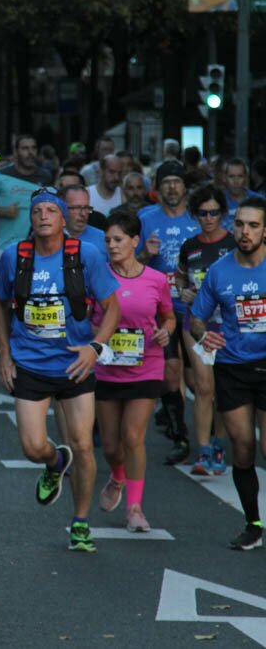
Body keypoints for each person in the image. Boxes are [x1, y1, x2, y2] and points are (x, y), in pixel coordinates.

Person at [0, 188, 121, 552]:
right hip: (30, 362)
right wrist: (4, 352)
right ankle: (53, 461)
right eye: (37, 212)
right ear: (30, 219)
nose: (43, 216)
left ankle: (80, 522)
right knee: (33, 447)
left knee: (83, 444)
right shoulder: (15, 256)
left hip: (74, 363)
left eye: (51, 211)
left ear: (64, 219)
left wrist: (95, 348)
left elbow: (112, 308)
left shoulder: (86, 255)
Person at [190, 198, 266, 550]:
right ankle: (253, 524)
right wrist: (204, 334)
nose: (245, 231)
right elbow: (195, 318)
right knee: (243, 447)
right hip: (233, 368)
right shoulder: (220, 271)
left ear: (265, 230)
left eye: (253, 225)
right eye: (240, 225)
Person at [93, 211, 175, 532]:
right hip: (108, 368)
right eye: (108, 241)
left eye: (118, 240)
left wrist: (166, 331)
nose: (112, 246)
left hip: (145, 366)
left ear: (135, 241)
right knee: (112, 447)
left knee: (132, 437)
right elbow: (87, 313)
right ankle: (117, 476)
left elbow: (168, 316)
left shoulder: (155, 279)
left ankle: (135, 508)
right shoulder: (98, 277)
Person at [138, 161, 201, 465]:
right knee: (170, 375)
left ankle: (208, 432)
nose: (172, 187)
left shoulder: (200, 218)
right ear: (158, 188)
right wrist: (144, 255)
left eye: (177, 182)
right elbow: (127, 262)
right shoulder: (145, 219)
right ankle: (181, 437)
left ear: (185, 187)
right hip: (160, 310)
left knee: (197, 378)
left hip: (197, 309)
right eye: (167, 182)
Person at [177, 185, 235, 476]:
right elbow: (179, 277)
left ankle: (220, 443)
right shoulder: (190, 246)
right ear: (195, 215)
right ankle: (202, 451)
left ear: (223, 213)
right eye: (203, 213)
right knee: (203, 386)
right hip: (196, 322)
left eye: (214, 212)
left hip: (229, 324)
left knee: (223, 388)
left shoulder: (236, 243)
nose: (209, 218)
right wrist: (183, 291)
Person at [0, 135, 53, 266]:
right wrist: (2, 211)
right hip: (7, 249)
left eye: (33, 148)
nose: (30, 153)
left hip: (39, 249)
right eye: (25, 148)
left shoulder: (46, 176)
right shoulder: (1, 175)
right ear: (16, 152)